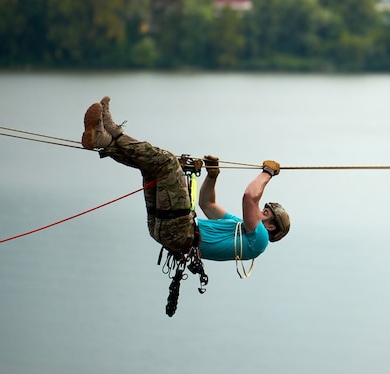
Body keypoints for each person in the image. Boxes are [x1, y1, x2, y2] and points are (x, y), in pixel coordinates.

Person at [81, 96, 290, 262]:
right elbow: (207, 204)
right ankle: (104, 140)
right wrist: (213, 175)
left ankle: (114, 133)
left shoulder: (260, 239)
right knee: (152, 168)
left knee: (168, 163)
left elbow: (250, 196)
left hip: (182, 232)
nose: (258, 210)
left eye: (265, 212)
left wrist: (267, 173)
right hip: (165, 231)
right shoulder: (240, 228)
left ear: (270, 226)